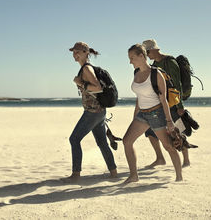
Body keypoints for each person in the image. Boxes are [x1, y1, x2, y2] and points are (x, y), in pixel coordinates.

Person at [123, 44, 182, 183]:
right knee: (127, 141)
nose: (130, 61)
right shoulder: (136, 73)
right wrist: (135, 116)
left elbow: (163, 100)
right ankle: (133, 176)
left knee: (168, 146)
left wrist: (169, 121)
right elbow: (139, 97)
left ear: (142, 56)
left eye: (132, 58)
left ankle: (179, 176)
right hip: (142, 115)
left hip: (157, 114)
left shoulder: (156, 74)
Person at [62, 41, 118, 183]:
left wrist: (80, 83)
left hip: (93, 112)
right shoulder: (85, 68)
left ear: (86, 52)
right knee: (102, 142)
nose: (75, 55)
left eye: (78, 52)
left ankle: (76, 174)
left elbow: (97, 87)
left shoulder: (87, 69)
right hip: (98, 112)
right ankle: (113, 172)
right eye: (74, 52)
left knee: (74, 139)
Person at [142, 39, 192, 168]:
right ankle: (159, 158)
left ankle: (186, 159)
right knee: (149, 130)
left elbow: (177, 85)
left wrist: (180, 106)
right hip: (159, 103)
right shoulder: (154, 65)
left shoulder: (170, 62)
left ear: (155, 49)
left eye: (148, 51)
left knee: (178, 130)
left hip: (173, 104)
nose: (147, 55)